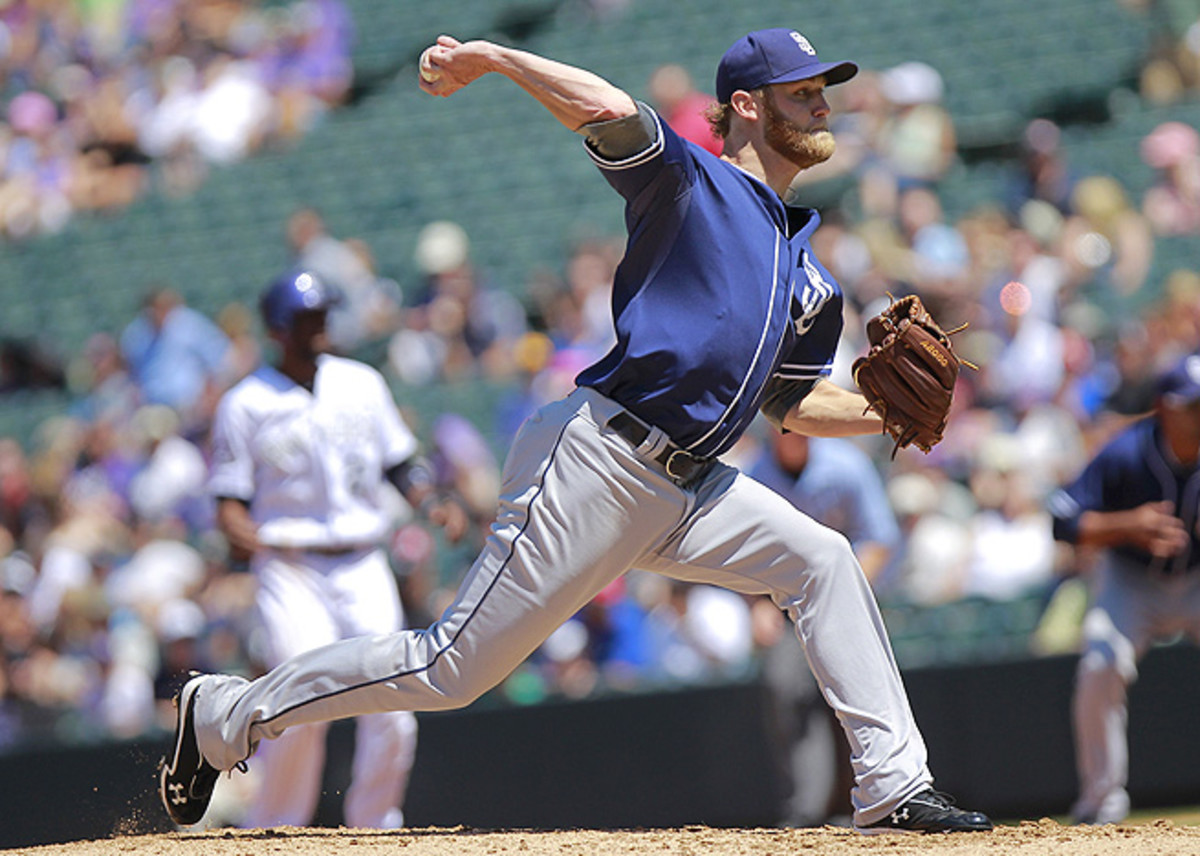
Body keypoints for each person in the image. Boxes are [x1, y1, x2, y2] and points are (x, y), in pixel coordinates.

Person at [160, 28, 993, 835]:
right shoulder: (689, 183)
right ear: (744, 104)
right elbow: (605, 107)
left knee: (824, 561)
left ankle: (894, 786)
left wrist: (885, 411)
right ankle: (226, 712)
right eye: (802, 92)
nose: (821, 106)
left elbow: (792, 405)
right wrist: (492, 59)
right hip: (600, 460)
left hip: (690, 484)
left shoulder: (809, 274)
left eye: (823, 92)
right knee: (448, 670)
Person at [203, 270, 466, 829]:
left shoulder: (361, 382)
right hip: (290, 564)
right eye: (307, 317)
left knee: (395, 702)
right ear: (278, 328)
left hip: (363, 558)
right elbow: (229, 498)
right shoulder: (245, 403)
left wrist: (430, 499)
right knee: (299, 707)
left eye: (323, 313)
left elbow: (400, 460)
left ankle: (376, 827)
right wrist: (236, 528)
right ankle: (275, 830)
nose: (320, 325)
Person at [1048, 353, 1200, 825]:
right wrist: (1126, 524)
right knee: (1101, 662)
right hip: (1130, 580)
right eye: (1192, 406)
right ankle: (1100, 802)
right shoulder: (1126, 452)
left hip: (1196, 579)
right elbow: (1063, 519)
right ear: (1163, 406)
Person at [747, 429, 901, 827]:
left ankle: (874, 804)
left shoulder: (846, 465)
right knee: (784, 687)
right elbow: (744, 555)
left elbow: (880, 538)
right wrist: (756, 604)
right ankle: (806, 814)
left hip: (853, 599)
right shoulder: (755, 476)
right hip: (787, 606)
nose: (791, 433)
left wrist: (841, 591)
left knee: (857, 694)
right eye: (781, 425)